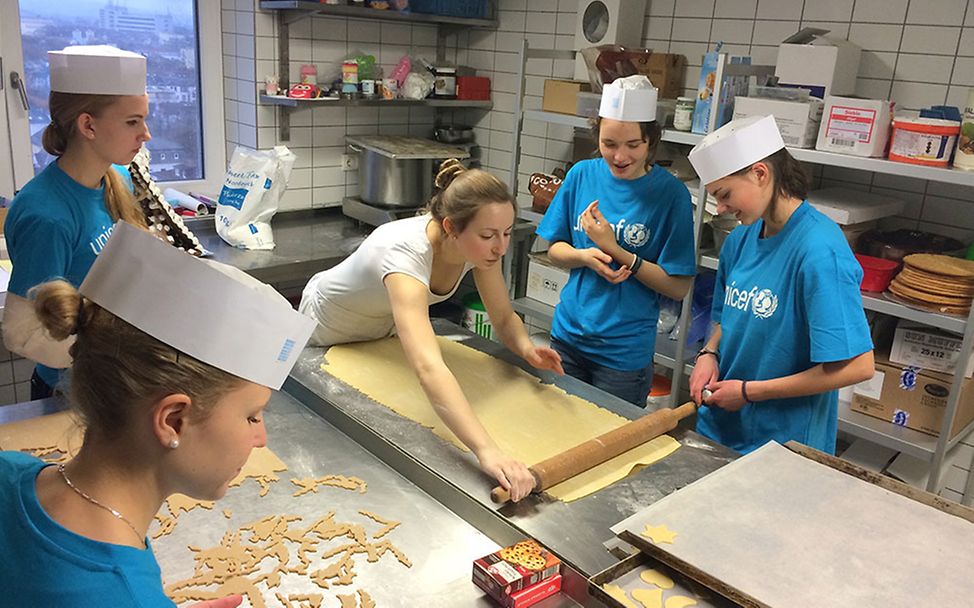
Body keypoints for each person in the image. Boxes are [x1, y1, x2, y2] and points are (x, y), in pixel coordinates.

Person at [0, 222, 317, 607]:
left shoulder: (9, 472)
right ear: (173, 420)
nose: (260, 439)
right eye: (252, 416)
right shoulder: (122, 593)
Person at [299, 160, 563, 502]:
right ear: (451, 227)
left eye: (507, 233)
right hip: (328, 330)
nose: (501, 247)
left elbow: (502, 316)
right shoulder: (404, 255)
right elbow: (428, 366)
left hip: (380, 332)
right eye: (488, 236)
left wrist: (526, 348)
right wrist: (487, 451)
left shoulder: (479, 250)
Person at [686, 115, 874, 455]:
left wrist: (749, 392)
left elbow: (858, 366)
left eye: (725, 194)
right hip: (722, 427)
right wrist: (708, 353)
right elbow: (727, 319)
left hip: (781, 442)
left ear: (760, 173)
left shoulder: (819, 251)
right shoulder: (740, 239)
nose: (721, 208)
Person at [536, 75, 696, 406]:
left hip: (623, 354)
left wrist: (618, 252)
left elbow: (678, 287)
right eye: (609, 144)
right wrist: (584, 257)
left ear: (651, 140)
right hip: (568, 337)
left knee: (609, 445)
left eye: (632, 145)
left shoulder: (670, 195)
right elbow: (554, 248)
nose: (620, 156)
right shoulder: (582, 174)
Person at [3, 45, 150, 400]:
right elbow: (23, 333)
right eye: (133, 121)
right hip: (74, 393)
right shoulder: (46, 215)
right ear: (88, 125)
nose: (145, 134)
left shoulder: (118, 179)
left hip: (121, 380)